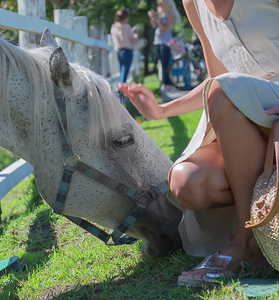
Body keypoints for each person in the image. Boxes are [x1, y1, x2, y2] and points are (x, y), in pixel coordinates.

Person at [119, 0, 279, 287]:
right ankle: (264, 219)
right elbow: (217, 80)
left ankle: (247, 244)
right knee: (187, 183)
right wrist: (161, 111)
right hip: (246, 115)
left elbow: (221, 89)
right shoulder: (192, 3)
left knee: (222, 92)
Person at [148, 0, 181, 92]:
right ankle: (165, 84)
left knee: (166, 64)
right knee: (162, 64)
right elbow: (154, 25)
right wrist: (152, 18)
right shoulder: (159, 14)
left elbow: (165, 28)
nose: (158, 4)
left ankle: (167, 84)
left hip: (166, 42)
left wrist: (157, 19)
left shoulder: (171, 15)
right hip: (158, 41)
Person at [111, 8, 138, 84]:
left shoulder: (113, 27)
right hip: (127, 51)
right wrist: (135, 35)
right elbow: (133, 40)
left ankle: (120, 92)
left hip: (119, 51)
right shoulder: (126, 26)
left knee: (121, 72)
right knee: (124, 73)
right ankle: (120, 93)